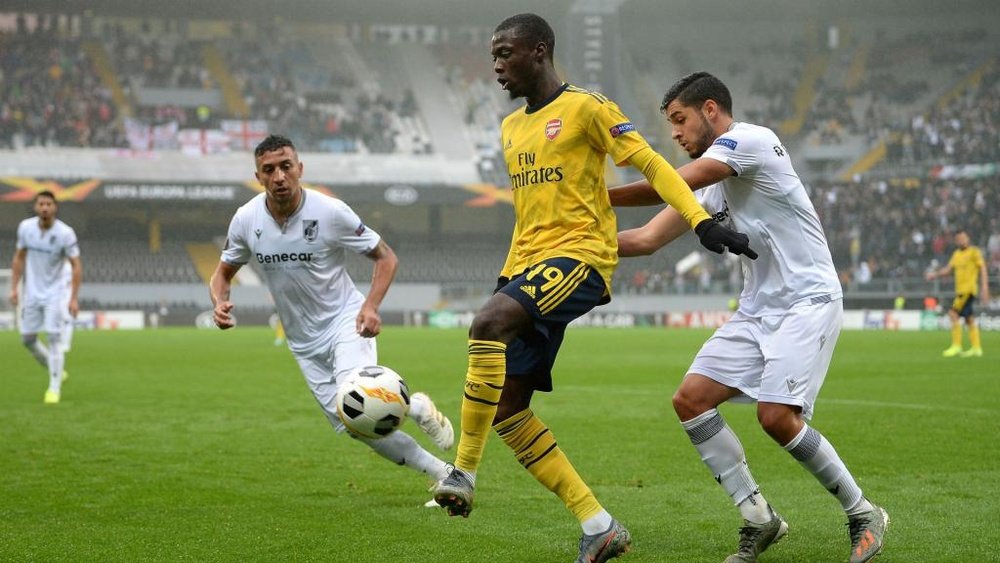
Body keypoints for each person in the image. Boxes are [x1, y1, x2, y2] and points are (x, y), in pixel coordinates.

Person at [431, 17, 755, 563]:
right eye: (492, 56)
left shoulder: (588, 107)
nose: (496, 66)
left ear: (539, 51)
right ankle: (599, 525)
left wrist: (699, 221)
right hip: (528, 266)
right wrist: (505, 282)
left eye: (505, 53)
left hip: (581, 261)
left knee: (485, 325)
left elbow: (653, 164)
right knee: (509, 409)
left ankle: (462, 470)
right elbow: (529, 214)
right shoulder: (511, 128)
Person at [609, 72, 888, 563]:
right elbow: (645, 240)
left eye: (680, 120)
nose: (674, 133)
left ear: (710, 110)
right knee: (691, 400)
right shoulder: (715, 188)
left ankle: (863, 511)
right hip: (758, 310)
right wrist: (567, 246)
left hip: (808, 301)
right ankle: (760, 519)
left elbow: (674, 182)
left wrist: (597, 194)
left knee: (776, 417)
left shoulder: (753, 141)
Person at [209, 135, 455, 501]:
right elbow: (222, 273)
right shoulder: (246, 220)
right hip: (303, 343)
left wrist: (370, 306)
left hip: (345, 322)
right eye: (269, 170)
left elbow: (385, 257)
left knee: (357, 399)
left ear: (300, 169)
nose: (279, 176)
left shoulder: (330, 212)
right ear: (258, 176)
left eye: (286, 167)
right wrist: (219, 302)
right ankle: (443, 472)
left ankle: (416, 408)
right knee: (355, 426)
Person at [10, 191, 82, 404]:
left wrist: (73, 298)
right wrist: (14, 288)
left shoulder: (65, 233)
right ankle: (56, 369)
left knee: (53, 339)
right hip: (32, 292)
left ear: (55, 207)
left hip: (55, 294)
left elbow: (77, 266)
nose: (44, 207)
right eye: (41, 203)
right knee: (28, 339)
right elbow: (18, 258)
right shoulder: (25, 228)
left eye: (48, 204)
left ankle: (54, 388)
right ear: (35, 207)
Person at [925, 230, 990, 357]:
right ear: (956, 241)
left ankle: (956, 346)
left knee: (953, 314)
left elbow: (982, 268)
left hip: (968, 290)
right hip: (960, 290)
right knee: (969, 318)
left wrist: (985, 287)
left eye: (963, 238)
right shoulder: (956, 254)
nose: (961, 240)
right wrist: (935, 274)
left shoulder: (974, 252)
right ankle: (976, 348)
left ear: (968, 239)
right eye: (959, 239)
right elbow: (948, 270)